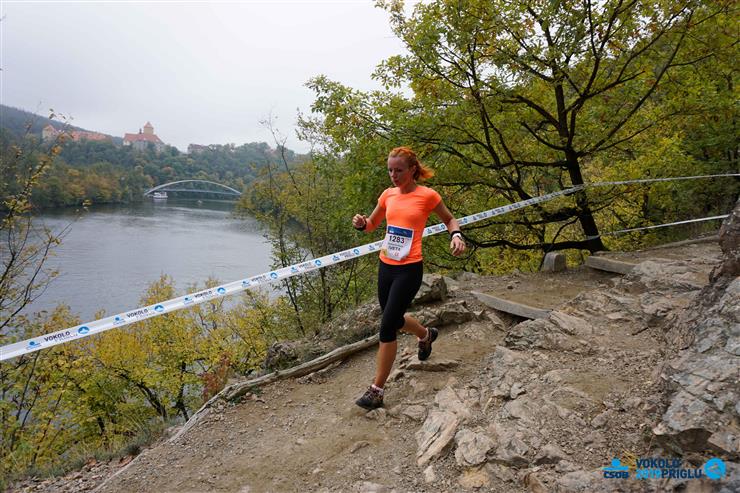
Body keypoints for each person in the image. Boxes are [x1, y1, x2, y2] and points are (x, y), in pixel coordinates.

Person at [352, 146, 466, 410]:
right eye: (390, 170)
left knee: (387, 327)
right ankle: (426, 335)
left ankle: (377, 391)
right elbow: (372, 224)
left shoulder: (427, 195)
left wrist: (456, 235)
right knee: (394, 319)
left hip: (409, 269)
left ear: (413, 170)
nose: (393, 175)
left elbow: (450, 219)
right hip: (386, 266)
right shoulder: (388, 195)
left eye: (399, 170)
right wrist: (361, 223)